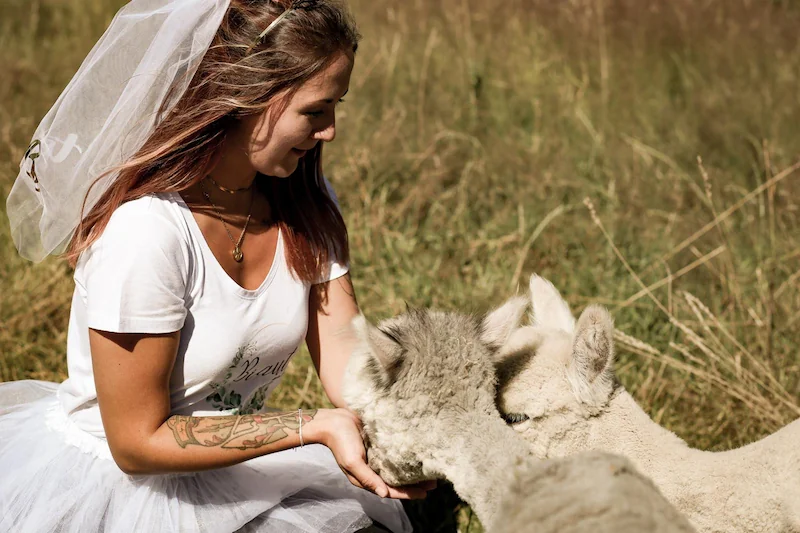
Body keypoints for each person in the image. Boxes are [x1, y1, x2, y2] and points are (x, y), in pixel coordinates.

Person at [0, 1, 431, 531]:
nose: (331, 131)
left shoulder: (307, 202)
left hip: (236, 463)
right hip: (125, 486)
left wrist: (414, 422)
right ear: (246, 99)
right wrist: (310, 426)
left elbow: (343, 350)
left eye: (337, 106)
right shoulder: (146, 232)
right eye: (316, 111)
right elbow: (137, 442)